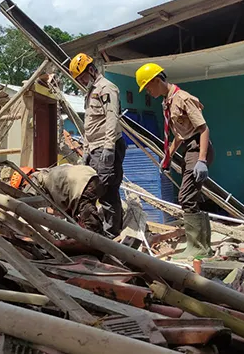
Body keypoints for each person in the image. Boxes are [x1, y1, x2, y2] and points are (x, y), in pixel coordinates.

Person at [136, 62, 215, 259]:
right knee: (190, 197)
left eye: (148, 87)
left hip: (197, 147)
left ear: (157, 80)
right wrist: (167, 156)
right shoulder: (168, 102)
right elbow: (179, 135)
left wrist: (202, 160)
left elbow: (203, 129)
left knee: (186, 197)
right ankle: (203, 247)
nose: (148, 92)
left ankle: (197, 248)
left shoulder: (183, 98)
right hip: (189, 147)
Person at [69, 52, 126, 236]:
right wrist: (86, 149)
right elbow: (90, 124)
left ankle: (111, 235)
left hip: (105, 147)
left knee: (105, 192)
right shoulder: (91, 92)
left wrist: (109, 147)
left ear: (91, 70)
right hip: (95, 149)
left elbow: (112, 118)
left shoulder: (107, 88)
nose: (81, 81)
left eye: (82, 77)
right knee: (98, 191)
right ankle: (102, 231)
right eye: (79, 79)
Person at [9, 165, 104, 234]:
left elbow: (25, 204)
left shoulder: (34, 180)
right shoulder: (49, 175)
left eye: (22, 188)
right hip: (92, 177)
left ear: (24, 181)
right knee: (84, 217)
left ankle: (98, 243)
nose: (24, 190)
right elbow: (60, 210)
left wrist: (12, 223)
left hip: (82, 184)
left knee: (91, 224)